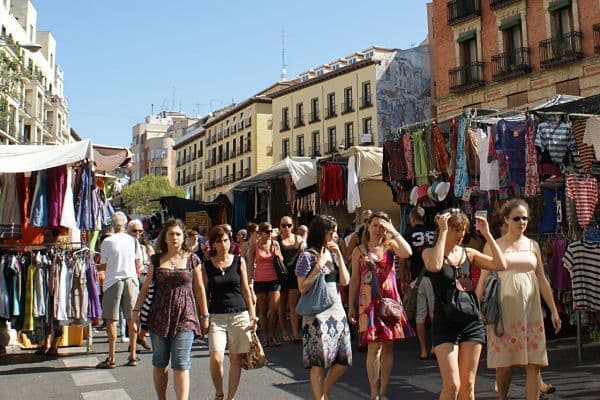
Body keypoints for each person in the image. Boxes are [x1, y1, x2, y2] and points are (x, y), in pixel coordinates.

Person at [476, 200, 561, 400]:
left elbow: (541, 278)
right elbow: (483, 279)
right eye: (516, 218)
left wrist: (554, 310)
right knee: (504, 366)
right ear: (506, 220)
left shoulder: (533, 245)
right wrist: (476, 309)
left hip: (531, 311)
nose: (522, 222)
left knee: (534, 364)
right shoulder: (493, 246)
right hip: (503, 313)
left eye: (524, 218)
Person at [422, 209, 507, 400]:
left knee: (468, 385)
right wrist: (442, 233)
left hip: (471, 320)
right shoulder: (430, 253)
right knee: (452, 384)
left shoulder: (468, 253)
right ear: (445, 229)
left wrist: (487, 234)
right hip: (445, 323)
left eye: (463, 230)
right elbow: (434, 267)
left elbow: (501, 264)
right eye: (456, 230)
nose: (461, 235)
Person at [132, 219, 209, 400]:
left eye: (178, 234)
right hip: (159, 315)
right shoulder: (156, 260)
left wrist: (205, 315)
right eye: (170, 234)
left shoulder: (192, 259)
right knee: (160, 362)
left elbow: (199, 289)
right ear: (164, 237)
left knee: (181, 362)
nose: (174, 237)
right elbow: (145, 288)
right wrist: (136, 312)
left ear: (184, 237)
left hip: (186, 315)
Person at [348, 211, 413, 400]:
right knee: (373, 347)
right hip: (368, 303)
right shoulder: (358, 250)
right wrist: (351, 305)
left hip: (390, 301)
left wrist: (393, 229)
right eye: (375, 225)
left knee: (388, 347)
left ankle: (383, 391)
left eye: (381, 226)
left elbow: (407, 252)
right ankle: (374, 391)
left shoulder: (391, 246)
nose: (378, 229)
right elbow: (354, 279)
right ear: (368, 226)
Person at [296, 215, 352, 400]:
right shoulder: (307, 255)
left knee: (344, 360)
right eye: (332, 232)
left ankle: (324, 390)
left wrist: (338, 257)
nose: (335, 235)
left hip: (337, 311)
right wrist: (318, 266)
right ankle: (319, 397)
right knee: (318, 363)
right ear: (322, 233)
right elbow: (302, 287)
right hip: (317, 314)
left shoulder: (333, 253)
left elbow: (345, 280)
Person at [203, 226, 257, 400]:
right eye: (219, 241)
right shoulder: (206, 266)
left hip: (239, 313)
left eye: (226, 240)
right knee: (216, 357)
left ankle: (230, 397)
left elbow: (246, 289)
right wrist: (202, 316)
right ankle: (219, 393)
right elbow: (202, 293)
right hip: (216, 316)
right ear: (213, 244)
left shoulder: (239, 261)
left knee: (235, 359)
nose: (223, 244)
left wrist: (252, 314)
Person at [96, 211, 141, 369]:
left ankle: (112, 356)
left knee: (111, 320)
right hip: (130, 279)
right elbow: (138, 262)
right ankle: (133, 354)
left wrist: (94, 266)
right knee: (132, 318)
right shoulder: (133, 241)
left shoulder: (107, 242)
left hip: (113, 281)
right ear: (125, 224)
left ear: (112, 225)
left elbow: (105, 265)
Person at [405, 206, 436, 360]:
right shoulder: (433, 232)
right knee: (435, 313)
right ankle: (435, 348)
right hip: (433, 276)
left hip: (417, 278)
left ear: (412, 218)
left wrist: (404, 277)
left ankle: (423, 350)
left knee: (420, 315)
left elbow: (404, 258)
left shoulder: (409, 233)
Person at [247, 222, 284, 347]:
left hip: (274, 279)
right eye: (267, 232)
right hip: (260, 279)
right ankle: (265, 337)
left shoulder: (275, 244)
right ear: (260, 233)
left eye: (270, 232)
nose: (269, 234)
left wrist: (278, 254)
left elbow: (281, 260)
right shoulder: (254, 245)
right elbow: (250, 264)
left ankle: (273, 335)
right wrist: (249, 282)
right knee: (262, 310)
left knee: (274, 309)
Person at [277, 216, 304, 343]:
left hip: (294, 274)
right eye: (283, 225)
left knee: (294, 305)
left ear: (293, 226)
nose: (286, 228)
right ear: (280, 226)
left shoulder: (299, 239)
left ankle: (294, 333)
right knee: (282, 304)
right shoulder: (276, 240)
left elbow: (303, 255)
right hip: (281, 275)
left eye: (289, 225)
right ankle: (284, 331)